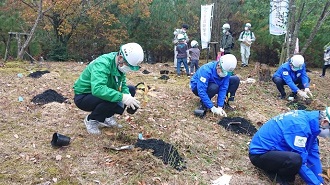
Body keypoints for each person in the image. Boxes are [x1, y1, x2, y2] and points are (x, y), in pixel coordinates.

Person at [73, 43, 143, 135]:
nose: (129, 69)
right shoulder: (102, 64)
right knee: (113, 97)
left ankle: (107, 117)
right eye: (128, 65)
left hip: (99, 93)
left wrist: (128, 96)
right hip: (84, 96)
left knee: (130, 89)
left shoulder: (118, 65)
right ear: (121, 58)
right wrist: (123, 97)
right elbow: (98, 89)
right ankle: (91, 120)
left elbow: (122, 84)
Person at [249, 108, 330, 185]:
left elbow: (313, 154)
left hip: (276, 150)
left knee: (303, 153)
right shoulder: (300, 127)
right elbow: (301, 160)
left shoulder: (310, 122)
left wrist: (320, 179)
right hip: (259, 155)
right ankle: (277, 176)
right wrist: (316, 184)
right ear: (324, 122)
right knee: (295, 160)